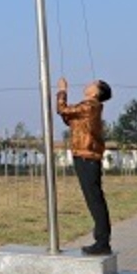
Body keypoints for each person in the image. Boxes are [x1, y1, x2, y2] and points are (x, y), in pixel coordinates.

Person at [57, 76, 113, 256]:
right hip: (84, 156)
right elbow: (69, 117)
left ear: (96, 91)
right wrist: (66, 112)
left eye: (93, 82)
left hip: (87, 157)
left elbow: (62, 109)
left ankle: (102, 242)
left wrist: (62, 91)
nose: (88, 82)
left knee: (95, 200)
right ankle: (102, 240)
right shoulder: (89, 107)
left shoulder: (90, 106)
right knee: (94, 199)